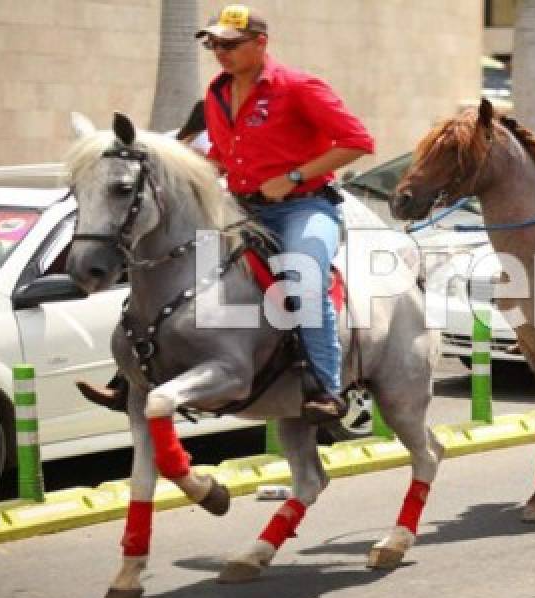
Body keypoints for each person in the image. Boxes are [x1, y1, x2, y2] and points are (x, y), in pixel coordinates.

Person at [79, 4, 374, 419]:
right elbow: (224, 155)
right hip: (240, 207)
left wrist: (292, 176)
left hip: (302, 207)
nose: (221, 52)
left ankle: (325, 387)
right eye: (215, 44)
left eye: (231, 44)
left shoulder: (299, 86)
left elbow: (358, 141)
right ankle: (131, 377)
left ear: (260, 43)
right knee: (164, 262)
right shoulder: (217, 94)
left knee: (303, 276)